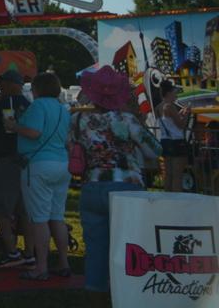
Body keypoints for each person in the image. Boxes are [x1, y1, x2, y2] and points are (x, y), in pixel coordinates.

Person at [70, 66, 161, 306]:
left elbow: (71, 149)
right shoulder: (126, 119)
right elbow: (154, 150)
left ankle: (96, 296)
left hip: (91, 186)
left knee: (96, 248)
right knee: (130, 246)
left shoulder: (78, 120)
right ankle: (127, 295)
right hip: (126, 187)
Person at [6, 71, 71, 281]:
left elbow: (34, 132)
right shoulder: (63, 109)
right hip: (62, 163)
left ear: (37, 89)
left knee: (39, 219)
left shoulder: (38, 106)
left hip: (38, 164)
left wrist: (14, 126)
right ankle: (63, 262)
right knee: (57, 217)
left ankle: (40, 267)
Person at [0, 69, 33, 268]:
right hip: (25, 160)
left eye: (2, 83)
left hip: (8, 160)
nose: (0, 86)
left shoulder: (6, 103)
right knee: (23, 209)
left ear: (12, 83)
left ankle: (11, 251)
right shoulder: (28, 105)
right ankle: (29, 253)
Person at [157, 80, 188, 192]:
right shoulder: (170, 106)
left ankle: (167, 200)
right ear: (169, 93)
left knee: (168, 175)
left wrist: (180, 115)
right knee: (177, 175)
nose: (176, 95)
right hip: (176, 142)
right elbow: (181, 125)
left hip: (165, 141)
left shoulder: (159, 106)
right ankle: (177, 202)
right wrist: (187, 114)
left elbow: (169, 122)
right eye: (175, 92)